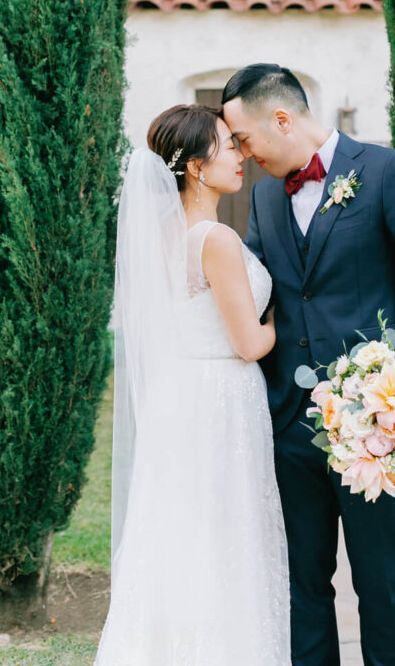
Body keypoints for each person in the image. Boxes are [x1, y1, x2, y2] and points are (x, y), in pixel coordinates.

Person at [222, 64, 395, 666]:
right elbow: (257, 289)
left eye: (243, 138)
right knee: (301, 588)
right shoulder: (266, 195)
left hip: (375, 429)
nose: (242, 156)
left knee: (383, 588)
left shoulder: (387, 172)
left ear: (281, 118)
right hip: (289, 427)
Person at [93, 104, 291, 666]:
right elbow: (249, 344)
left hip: (178, 395)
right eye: (230, 146)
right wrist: (284, 320)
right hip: (222, 397)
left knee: (180, 526)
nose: (240, 155)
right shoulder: (216, 239)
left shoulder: (155, 232)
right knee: (225, 530)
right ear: (199, 167)